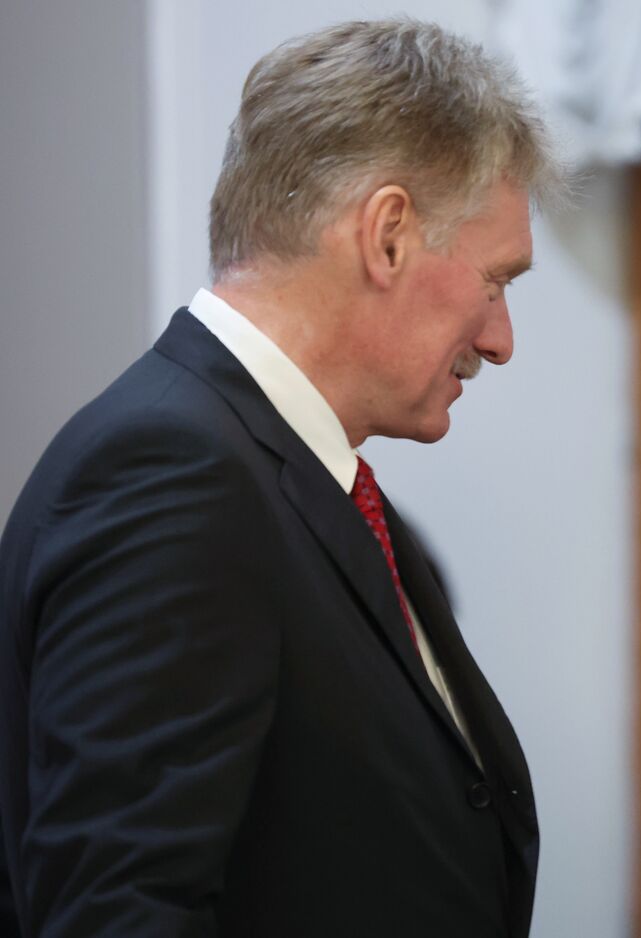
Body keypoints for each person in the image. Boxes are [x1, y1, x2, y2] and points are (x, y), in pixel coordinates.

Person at [0, 19, 560, 936]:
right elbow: (120, 910)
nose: (500, 339)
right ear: (386, 236)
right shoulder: (174, 476)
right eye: (496, 282)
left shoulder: (283, 479)